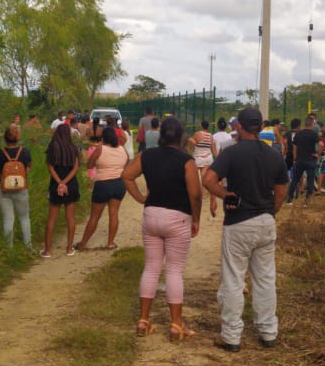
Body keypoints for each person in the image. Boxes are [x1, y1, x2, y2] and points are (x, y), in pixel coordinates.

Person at [203, 107, 289, 352]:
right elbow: (282, 187)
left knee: (233, 279)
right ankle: (268, 332)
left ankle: (231, 336)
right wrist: (272, 210)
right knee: (265, 278)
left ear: (238, 127)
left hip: (238, 222)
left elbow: (208, 180)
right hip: (265, 221)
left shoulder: (232, 153)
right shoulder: (274, 155)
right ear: (261, 127)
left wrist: (224, 194)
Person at [123, 116, 202, 341]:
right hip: (177, 217)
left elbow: (126, 176)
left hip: (152, 215)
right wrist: (196, 219)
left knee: (151, 268)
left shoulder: (146, 156)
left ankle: (143, 320)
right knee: (174, 270)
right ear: (181, 136)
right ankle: (176, 325)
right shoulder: (186, 161)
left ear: (160, 135)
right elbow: (195, 194)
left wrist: (140, 198)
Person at [76, 125, 129, 251]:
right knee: (114, 214)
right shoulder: (122, 150)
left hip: (103, 184)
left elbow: (89, 165)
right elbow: (127, 163)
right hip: (119, 184)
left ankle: (83, 243)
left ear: (104, 137)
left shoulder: (100, 149)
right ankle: (110, 243)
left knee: (95, 216)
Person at [42, 123, 81, 258]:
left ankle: (47, 251)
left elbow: (50, 167)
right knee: (70, 218)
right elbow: (76, 168)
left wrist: (59, 182)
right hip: (71, 185)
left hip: (55, 185)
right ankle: (69, 249)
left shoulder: (53, 147)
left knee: (52, 218)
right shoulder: (74, 148)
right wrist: (65, 182)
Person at [0, 126, 32, 250]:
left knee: (8, 219)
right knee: (24, 218)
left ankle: (9, 249)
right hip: (21, 189)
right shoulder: (25, 152)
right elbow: (28, 168)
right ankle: (28, 246)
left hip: (3, 188)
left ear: (5, 138)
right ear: (18, 137)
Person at [186, 120, 219, 217]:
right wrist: (218, 157)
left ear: (201, 125)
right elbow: (214, 151)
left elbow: (192, 145)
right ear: (208, 126)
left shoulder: (197, 134)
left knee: (197, 178)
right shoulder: (210, 136)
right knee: (203, 177)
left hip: (198, 158)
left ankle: (200, 194)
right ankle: (206, 193)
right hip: (208, 158)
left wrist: (189, 149)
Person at [286, 116, 319, 205]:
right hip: (311, 160)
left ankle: (289, 199)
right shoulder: (314, 134)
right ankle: (307, 201)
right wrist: (317, 154)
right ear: (312, 124)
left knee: (295, 179)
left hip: (300, 160)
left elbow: (294, 147)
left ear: (305, 124)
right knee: (310, 180)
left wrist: (295, 158)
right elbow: (321, 144)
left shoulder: (298, 134)